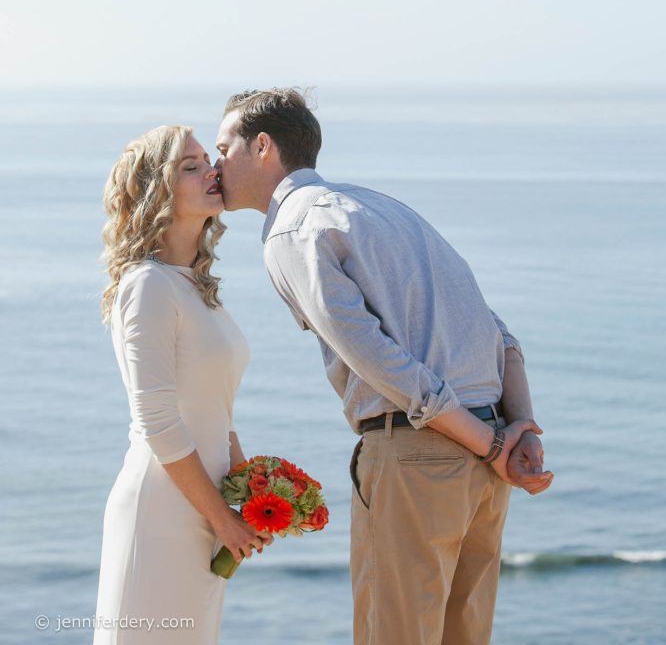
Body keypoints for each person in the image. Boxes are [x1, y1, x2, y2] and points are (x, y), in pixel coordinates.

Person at [215, 88, 553, 645]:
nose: (216, 163)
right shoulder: (386, 208)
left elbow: (372, 356)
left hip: (422, 458)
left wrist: (493, 445)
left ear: (264, 146)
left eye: (225, 147)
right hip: (486, 465)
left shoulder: (292, 231)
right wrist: (518, 429)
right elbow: (499, 333)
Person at [94, 125, 272, 644]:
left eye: (206, 161)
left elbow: (217, 410)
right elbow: (156, 418)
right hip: (164, 511)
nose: (211, 171)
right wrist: (221, 517)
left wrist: (251, 483)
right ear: (156, 192)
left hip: (204, 505)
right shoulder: (147, 285)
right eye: (189, 166)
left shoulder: (194, 285)